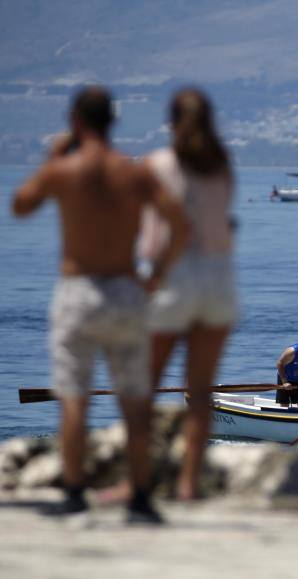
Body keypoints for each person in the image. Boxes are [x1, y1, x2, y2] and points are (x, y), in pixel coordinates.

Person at [11, 86, 189, 522]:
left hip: (78, 289)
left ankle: (74, 494)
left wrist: (54, 160)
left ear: (75, 121)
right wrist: (156, 275)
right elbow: (180, 225)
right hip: (127, 290)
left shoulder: (64, 170)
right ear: (113, 120)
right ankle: (142, 497)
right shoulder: (135, 174)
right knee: (134, 399)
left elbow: (21, 205)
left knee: (74, 397)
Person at [142, 88, 237, 501]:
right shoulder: (223, 167)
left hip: (175, 276)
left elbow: (154, 237)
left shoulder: (157, 166)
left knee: (144, 386)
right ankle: (188, 484)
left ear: (172, 124)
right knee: (200, 391)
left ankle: (140, 480)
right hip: (219, 280)